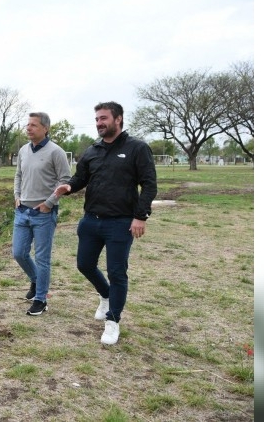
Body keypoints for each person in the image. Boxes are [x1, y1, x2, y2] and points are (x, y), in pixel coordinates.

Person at [53, 101, 157, 344]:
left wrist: (140, 216)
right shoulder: (92, 150)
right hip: (91, 221)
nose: (99, 123)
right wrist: (69, 186)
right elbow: (80, 178)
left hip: (120, 223)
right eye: (97, 119)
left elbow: (149, 184)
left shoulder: (137, 148)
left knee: (117, 272)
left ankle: (113, 321)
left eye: (104, 118)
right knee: (84, 265)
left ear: (118, 119)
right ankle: (106, 295)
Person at [13, 112, 72, 316]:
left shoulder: (56, 152)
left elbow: (65, 181)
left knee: (42, 258)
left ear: (45, 128)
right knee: (18, 253)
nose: (28, 128)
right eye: (27, 124)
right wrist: (17, 195)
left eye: (34, 125)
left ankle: (40, 299)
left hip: (43, 214)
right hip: (22, 211)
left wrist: (49, 203)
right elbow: (18, 175)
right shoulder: (23, 150)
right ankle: (36, 280)